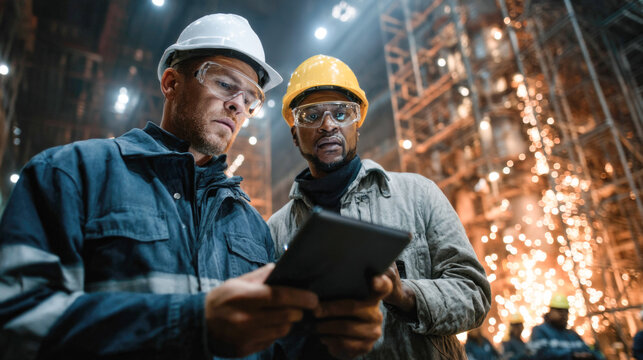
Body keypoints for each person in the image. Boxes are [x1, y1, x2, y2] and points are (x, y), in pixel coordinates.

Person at [0, 15, 390, 360]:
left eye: (250, 97)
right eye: (224, 83)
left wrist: (333, 341)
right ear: (171, 82)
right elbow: (14, 323)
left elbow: (276, 349)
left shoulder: (251, 228)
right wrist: (191, 325)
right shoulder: (72, 174)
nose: (238, 105)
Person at [267, 54, 491, 359]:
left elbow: (474, 295)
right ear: (295, 134)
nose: (328, 124)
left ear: (358, 123)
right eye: (310, 116)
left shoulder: (418, 195)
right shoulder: (276, 230)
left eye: (342, 113)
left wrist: (404, 295)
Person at [528, 293, 599, 359]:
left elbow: (588, 351)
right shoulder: (540, 331)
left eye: (566, 311)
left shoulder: (572, 335)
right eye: (559, 310)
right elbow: (542, 355)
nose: (563, 314)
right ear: (550, 311)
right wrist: (572, 355)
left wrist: (593, 355)